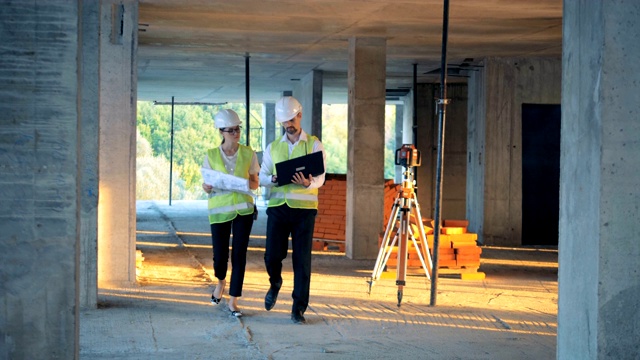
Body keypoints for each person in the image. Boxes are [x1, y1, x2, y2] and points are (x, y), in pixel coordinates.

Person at [259, 96, 326, 324]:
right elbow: (262, 177)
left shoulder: (314, 144)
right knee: (271, 256)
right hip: (278, 208)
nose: (288, 124)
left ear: (300, 115)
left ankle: (298, 308)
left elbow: (321, 178)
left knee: (302, 261)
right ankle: (275, 282)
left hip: (304, 211)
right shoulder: (273, 147)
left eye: (291, 119)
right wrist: (274, 179)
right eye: (284, 121)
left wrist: (308, 183)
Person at [201, 109, 260, 318]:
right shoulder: (210, 155)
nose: (236, 133)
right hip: (219, 211)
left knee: (239, 255)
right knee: (220, 257)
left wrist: (248, 184)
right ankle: (220, 282)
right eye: (231, 130)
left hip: (243, 209)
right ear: (221, 132)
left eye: (238, 129)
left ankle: (234, 300)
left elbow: (255, 181)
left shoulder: (248, 153)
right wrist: (207, 187)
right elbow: (206, 184)